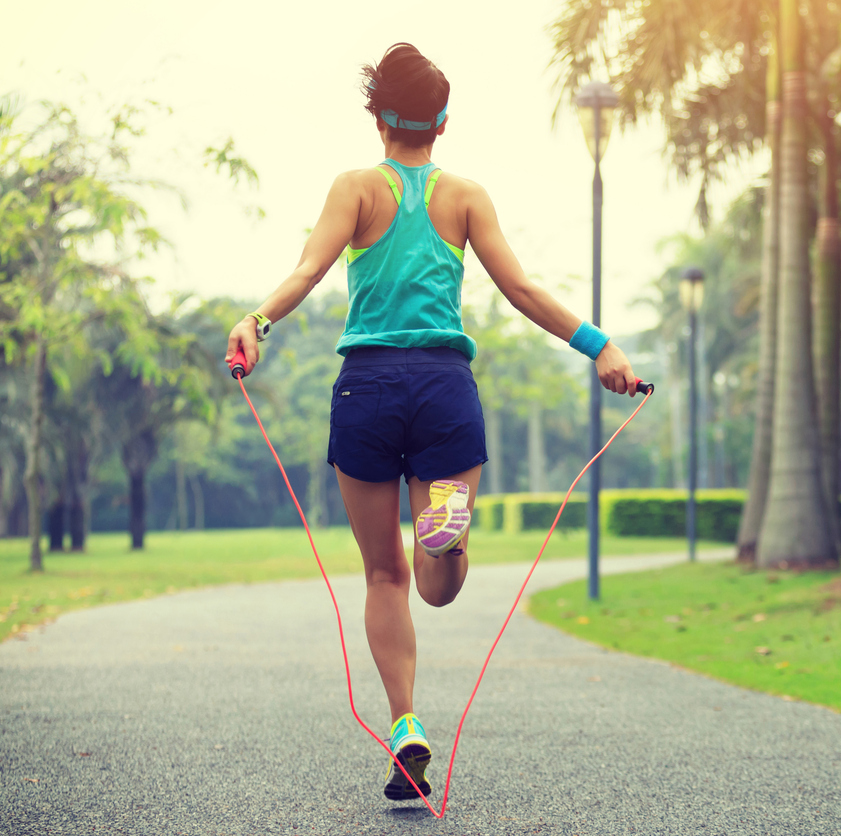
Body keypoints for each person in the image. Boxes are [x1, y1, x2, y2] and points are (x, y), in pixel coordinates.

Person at [224, 42, 639, 802]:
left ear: (377, 118)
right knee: (436, 584)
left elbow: (309, 270)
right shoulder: (465, 197)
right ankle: (443, 533)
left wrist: (257, 320)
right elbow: (518, 288)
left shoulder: (354, 188)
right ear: (442, 123)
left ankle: (405, 725)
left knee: (383, 574)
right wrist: (599, 345)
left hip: (367, 392)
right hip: (444, 391)